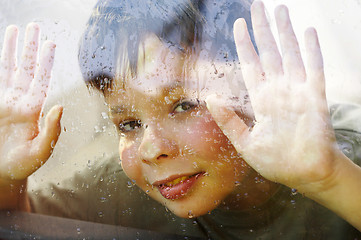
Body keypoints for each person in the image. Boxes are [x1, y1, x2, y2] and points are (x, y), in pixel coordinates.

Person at [0, 0, 361, 239]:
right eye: (128, 124)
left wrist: (328, 179)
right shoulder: (123, 186)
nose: (152, 148)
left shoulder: (345, 151)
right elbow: (21, 221)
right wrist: (6, 177)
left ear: (253, 84)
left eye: (183, 106)